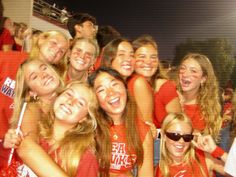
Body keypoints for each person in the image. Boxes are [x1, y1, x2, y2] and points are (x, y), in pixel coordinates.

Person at [3, 81, 99, 177]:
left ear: (84, 118)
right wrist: (6, 146)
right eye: (69, 94)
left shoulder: (84, 157)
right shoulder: (33, 131)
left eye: (80, 103)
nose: (70, 102)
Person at [88, 67, 153, 177]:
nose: (111, 93)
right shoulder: (89, 127)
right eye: (101, 90)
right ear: (95, 99)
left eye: (115, 84)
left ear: (125, 87)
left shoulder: (143, 131)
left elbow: (146, 174)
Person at [1, 59, 62, 169]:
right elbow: (28, 147)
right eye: (34, 77)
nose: (43, 75)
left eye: (44, 68)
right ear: (32, 92)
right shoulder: (32, 109)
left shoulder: (68, 99)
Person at [156, 113, 226, 177]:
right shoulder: (156, 170)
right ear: (164, 136)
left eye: (187, 137)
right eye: (175, 135)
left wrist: (216, 150)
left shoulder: (204, 159)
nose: (181, 141)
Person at [178, 53, 222, 140]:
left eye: (193, 71)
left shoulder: (204, 112)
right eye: (183, 68)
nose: (185, 74)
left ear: (203, 79)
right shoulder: (169, 98)